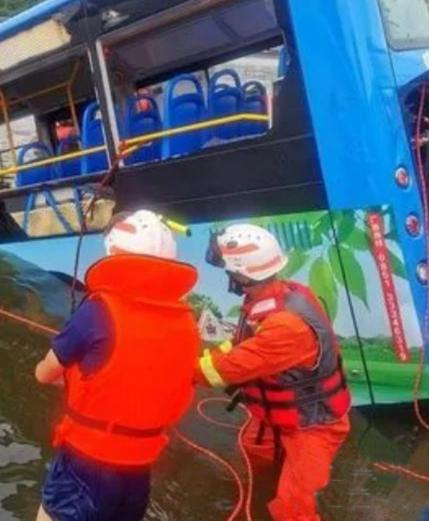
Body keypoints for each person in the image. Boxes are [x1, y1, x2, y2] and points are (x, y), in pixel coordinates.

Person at [34, 210, 200, 521]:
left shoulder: (99, 309)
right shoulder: (186, 321)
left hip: (86, 462)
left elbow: (45, 373)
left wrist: (69, 375)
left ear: (114, 252)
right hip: (138, 469)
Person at [196, 224, 351, 521]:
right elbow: (241, 345)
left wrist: (180, 369)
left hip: (313, 426)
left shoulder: (285, 326)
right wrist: (205, 356)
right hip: (280, 416)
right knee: (255, 454)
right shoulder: (276, 296)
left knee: (293, 509)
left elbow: (223, 370)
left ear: (242, 274)